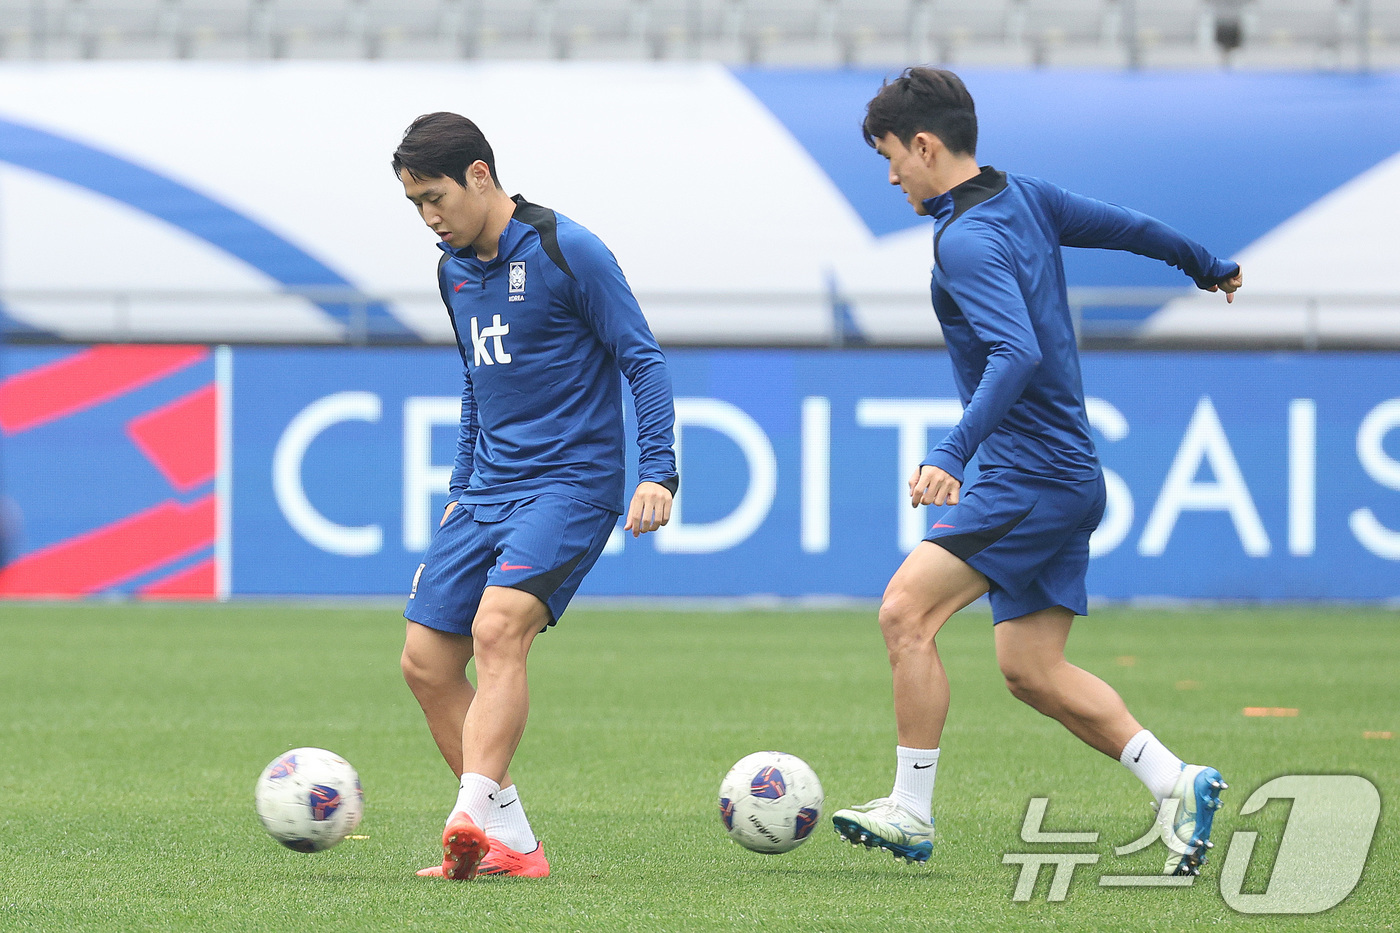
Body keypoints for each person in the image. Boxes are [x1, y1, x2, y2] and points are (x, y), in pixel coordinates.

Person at [831, 69, 1239, 876]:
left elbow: (1017, 350)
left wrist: (950, 451)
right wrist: (1206, 264)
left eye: (890, 158)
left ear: (924, 145)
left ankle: (910, 808)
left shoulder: (965, 238)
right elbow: (1131, 228)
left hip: (1030, 477)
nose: (890, 177)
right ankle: (1177, 781)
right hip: (1064, 472)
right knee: (1030, 668)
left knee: (903, 613)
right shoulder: (1026, 196)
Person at [392, 112, 678, 880]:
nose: (429, 217)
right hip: (485, 490)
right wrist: (459, 488)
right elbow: (474, 384)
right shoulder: (451, 271)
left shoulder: (566, 250)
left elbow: (641, 359)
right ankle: (511, 839)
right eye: (414, 203)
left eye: (435, 197)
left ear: (480, 175)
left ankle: (469, 810)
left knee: (498, 630)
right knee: (423, 661)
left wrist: (658, 469)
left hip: (569, 486)